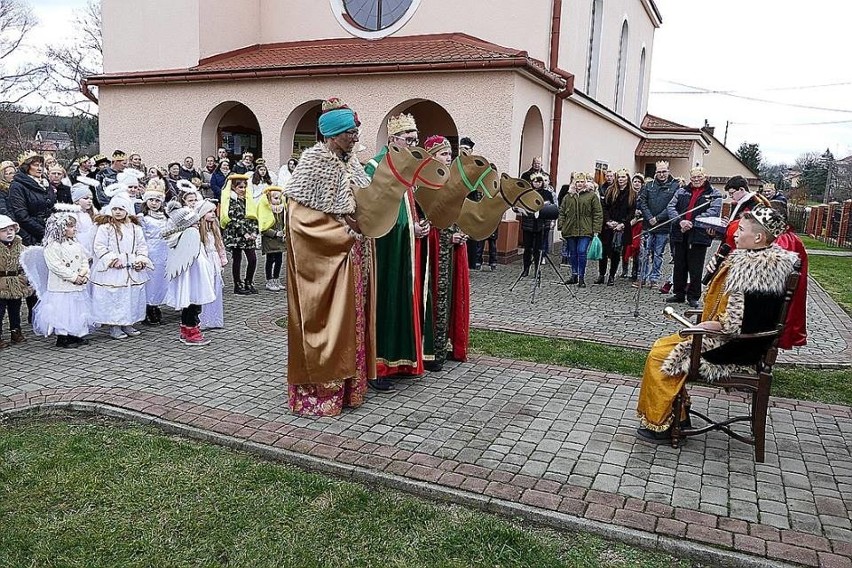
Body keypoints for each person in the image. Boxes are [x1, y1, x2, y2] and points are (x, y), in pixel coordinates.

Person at [636, 206, 799, 442]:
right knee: (663, 345)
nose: (734, 233)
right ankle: (678, 415)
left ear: (758, 238)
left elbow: (732, 325)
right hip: (737, 342)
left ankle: (662, 423)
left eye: (741, 229)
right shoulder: (759, 261)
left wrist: (700, 327)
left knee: (661, 354)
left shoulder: (752, 271)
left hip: (734, 349)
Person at [282, 98, 375, 416]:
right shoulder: (314, 165)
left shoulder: (352, 163)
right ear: (332, 134)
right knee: (327, 324)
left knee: (349, 324)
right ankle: (320, 395)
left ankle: (349, 389)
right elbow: (298, 220)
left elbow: (364, 203)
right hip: (328, 260)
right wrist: (343, 235)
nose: (356, 136)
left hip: (351, 261)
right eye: (350, 131)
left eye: (355, 130)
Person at [364, 112, 428, 391]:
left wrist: (417, 224)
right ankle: (377, 366)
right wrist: (407, 228)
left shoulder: (408, 167)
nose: (413, 144)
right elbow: (375, 211)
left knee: (404, 299)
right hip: (384, 250)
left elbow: (407, 206)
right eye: (409, 139)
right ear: (392, 140)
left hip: (406, 246)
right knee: (384, 301)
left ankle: (401, 361)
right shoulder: (374, 166)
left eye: (416, 140)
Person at [422, 135, 470, 369]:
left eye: (450, 154)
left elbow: (457, 212)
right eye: (443, 154)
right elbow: (425, 219)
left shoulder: (451, 181)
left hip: (450, 250)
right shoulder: (424, 184)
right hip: (431, 251)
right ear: (432, 157)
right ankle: (431, 352)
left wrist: (462, 231)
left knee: (449, 297)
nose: (448, 158)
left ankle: (445, 347)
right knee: (433, 298)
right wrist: (446, 236)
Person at [90, 195, 152, 339]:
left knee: (132, 295)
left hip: (131, 267)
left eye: (121, 209)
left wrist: (141, 259)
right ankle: (115, 325)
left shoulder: (135, 228)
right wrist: (112, 259)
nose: (117, 212)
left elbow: (142, 246)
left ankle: (129, 322)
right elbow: (99, 246)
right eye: (115, 209)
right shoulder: (106, 228)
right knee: (115, 296)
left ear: (127, 210)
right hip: (114, 269)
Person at [30, 208, 92, 348]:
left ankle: (76, 334)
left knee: (76, 310)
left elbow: (84, 259)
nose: (74, 229)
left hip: (77, 286)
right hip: (62, 287)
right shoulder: (52, 246)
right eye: (70, 226)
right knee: (63, 311)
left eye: (74, 226)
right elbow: (56, 266)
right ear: (60, 228)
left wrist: (84, 274)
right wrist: (74, 277)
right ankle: (63, 336)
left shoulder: (76, 243)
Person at [665, 166, 722, 308]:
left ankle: (693, 296)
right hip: (680, 232)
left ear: (705, 177)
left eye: (699, 177)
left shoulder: (714, 194)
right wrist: (681, 221)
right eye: (694, 177)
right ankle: (679, 293)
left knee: (695, 267)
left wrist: (693, 222)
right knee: (679, 265)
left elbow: (713, 211)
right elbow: (671, 207)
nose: (696, 180)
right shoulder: (682, 190)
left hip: (699, 235)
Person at [163, 200, 218, 346]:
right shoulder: (189, 236)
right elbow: (196, 260)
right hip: (194, 280)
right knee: (194, 306)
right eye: (194, 223)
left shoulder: (186, 237)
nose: (198, 224)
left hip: (193, 279)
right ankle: (192, 332)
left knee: (190, 305)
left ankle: (186, 330)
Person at [637, 160, 678, 288]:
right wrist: (650, 218)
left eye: (664, 171)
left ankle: (654, 278)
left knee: (658, 254)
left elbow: (673, 205)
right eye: (659, 172)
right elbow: (642, 202)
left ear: (668, 171)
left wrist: (658, 218)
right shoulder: (648, 186)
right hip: (647, 226)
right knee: (644, 253)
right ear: (655, 172)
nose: (661, 174)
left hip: (664, 226)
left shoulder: (675, 186)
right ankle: (642, 277)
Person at [557, 172, 602, 287]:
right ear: (574, 183)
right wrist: (561, 224)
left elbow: (597, 213)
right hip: (570, 228)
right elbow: (562, 211)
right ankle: (574, 275)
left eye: (582, 182)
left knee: (581, 251)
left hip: (586, 228)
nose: (580, 184)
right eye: (577, 182)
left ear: (585, 183)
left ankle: (581, 276)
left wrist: (596, 229)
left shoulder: (591, 196)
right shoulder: (568, 196)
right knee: (572, 253)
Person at [219, 173, 258, 294]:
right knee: (237, 259)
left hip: (249, 234)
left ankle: (248, 281)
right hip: (236, 236)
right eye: (240, 187)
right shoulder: (231, 200)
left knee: (252, 259)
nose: (243, 190)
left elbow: (254, 216)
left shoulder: (248, 200)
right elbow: (233, 219)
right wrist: (244, 233)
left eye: (244, 187)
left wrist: (254, 231)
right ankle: (237, 284)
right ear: (233, 188)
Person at [596, 169, 635, 285]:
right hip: (608, 226)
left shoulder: (632, 194)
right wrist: (608, 221)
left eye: (623, 177)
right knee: (603, 252)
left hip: (622, 227)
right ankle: (601, 274)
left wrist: (622, 224)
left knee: (616, 252)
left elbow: (631, 212)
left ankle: (612, 276)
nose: (621, 180)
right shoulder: (610, 190)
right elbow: (604, 207)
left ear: (627, 179)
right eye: (619, 177)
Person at [139, 179, 169, 325]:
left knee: (160, 280)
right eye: (151, 200)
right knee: (150, 280)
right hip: (150, 251)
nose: (154, 203)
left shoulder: (165, 217)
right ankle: (147, 307)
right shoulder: (143, 218)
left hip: (163, 252)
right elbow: (141, 237)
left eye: (157, 200)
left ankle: (156, 304)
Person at [8, 152, 54, 246]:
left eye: (41, 165)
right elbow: (21, 216)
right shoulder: (17, 186)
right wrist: (44, 233)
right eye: (36, 165)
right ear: (27, 167)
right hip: (31, 236)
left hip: (49, 231)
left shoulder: (45, 183)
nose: (40, 168)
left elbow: (51, 207)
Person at [0, 214, 32, 348]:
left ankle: (16, 330)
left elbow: (27, 260)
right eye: (4, 230)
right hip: (1, 282)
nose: (9, 233)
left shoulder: (20, 245)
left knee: (15, 308)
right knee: (0, 310)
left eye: (11, 229)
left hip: (16, 281)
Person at [516, 172, 554, 277]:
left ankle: (537, 269)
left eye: (539, 182)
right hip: (528, 223)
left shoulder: (547, 194)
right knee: (527, 248)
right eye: (535, 182)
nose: (537, 184)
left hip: (541, 225)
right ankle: (526, 269)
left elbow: (551, 208)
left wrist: (544, 212)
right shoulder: (527, 193)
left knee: (538, 249)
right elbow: (519, 205)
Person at [198, 203, 227, 330]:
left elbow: (220, 245)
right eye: (209, 211)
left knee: (215, 288)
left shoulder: (215, 229)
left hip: (214, 261)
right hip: (205, 260)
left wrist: (222, 259)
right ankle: (203, 319)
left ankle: (214, 319)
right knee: (205, 289)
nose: (213, 214)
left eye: (213, 211)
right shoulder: (199, 231)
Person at [258, 185, 286, 291]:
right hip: (270, 239)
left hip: (279, 240)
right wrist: (274, 233)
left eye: (279, 198)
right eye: (275, 198)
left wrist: (284, 232)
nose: (278, 200)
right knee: (270, 260)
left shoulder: (282, 209)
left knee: (279, 260)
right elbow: (263, 225)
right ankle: (269, 280)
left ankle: (276, 279)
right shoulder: (265, 209)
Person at [621, 174, 645, 281]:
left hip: (638, 224)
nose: (636, 183)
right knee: (624, 247)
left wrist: (639, 213)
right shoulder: (628, 194)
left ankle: (635, 272)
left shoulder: (644, 195)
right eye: (635, 181)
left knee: (636, 248)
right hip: (627, 223)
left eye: (639, 182)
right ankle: (624, 270)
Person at [70, 183, 98, 259]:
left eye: (91, 199)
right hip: (81, 248)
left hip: (93, 247)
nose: (89, 201)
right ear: (76, 201)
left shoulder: (93, 213)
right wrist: (85, 253)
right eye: (85, 198)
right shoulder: (74, 215)